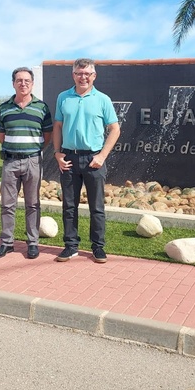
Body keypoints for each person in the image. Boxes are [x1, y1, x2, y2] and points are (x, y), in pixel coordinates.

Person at [52, 58, 120, 263]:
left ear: (94, 76)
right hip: (69, 158)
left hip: (94, 159)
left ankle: (98, 247)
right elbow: (57, 126)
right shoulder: (63, 97)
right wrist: (57, 153)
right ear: (73, 75)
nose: (83, 77)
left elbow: (115, 129)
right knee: (69, 206)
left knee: (96, 207)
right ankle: (71, 246)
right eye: (79, 73)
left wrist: (102, 156)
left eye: (87, 74)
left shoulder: (103, 99)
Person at [0, 68, 53, 259]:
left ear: (32, 83)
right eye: (19, 80)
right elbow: (2, 137)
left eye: (27, 80)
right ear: (13, 83)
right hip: (10, 162)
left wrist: (31, 151)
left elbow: (47, 136)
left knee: (33, 204)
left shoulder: (41, 108)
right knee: (7, 204)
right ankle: (7, 243)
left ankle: (33, 243)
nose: (23, 83)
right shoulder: (4, 108)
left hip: (32, 161)